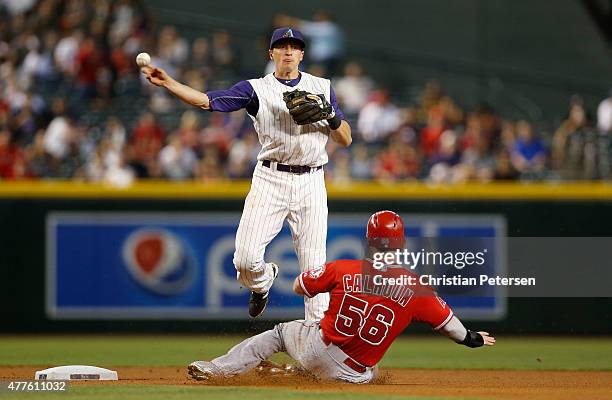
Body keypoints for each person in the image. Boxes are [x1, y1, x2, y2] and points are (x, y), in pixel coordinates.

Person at [141, 27, 352, 320]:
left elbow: (345, 139)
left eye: (294, 46)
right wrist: (169, 84)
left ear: (302, 54)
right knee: (245, 260)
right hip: (271, 179)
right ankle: (263, 282)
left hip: (312, 182)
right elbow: (207, 101)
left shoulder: (322, 87)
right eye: (282, 45)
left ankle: (318, 352)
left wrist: (330, 116)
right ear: (271, 53)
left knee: (315, 270)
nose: (288, 50)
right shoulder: (256, 89)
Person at [188, 211, 496, 384]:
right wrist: (473, 338)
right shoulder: (417, 289)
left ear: (369, 240)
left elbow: (299, 286)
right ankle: (291, 374)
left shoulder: (344, 268)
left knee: (281, 334)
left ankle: (217, 369)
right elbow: (454, 329)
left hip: (319, 348)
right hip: (354, 375)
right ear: (401, 244)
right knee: (372, 373)